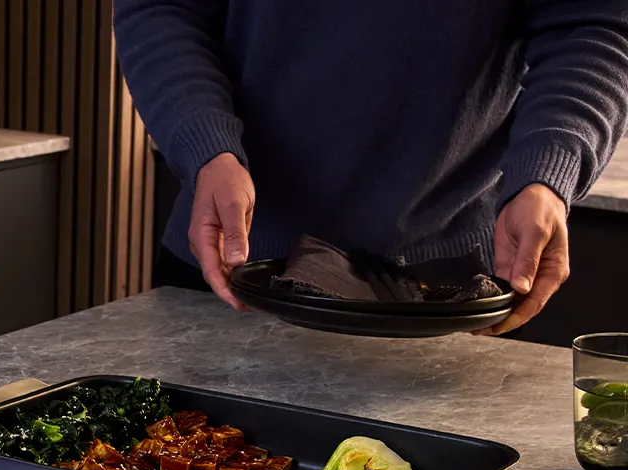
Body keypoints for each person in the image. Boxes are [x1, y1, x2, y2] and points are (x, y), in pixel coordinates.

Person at [115, 1, 628, 334]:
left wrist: (548, 175)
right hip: (237, 267)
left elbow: (592, 25)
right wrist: (206, 146)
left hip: (451, 292)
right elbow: (164, 9)